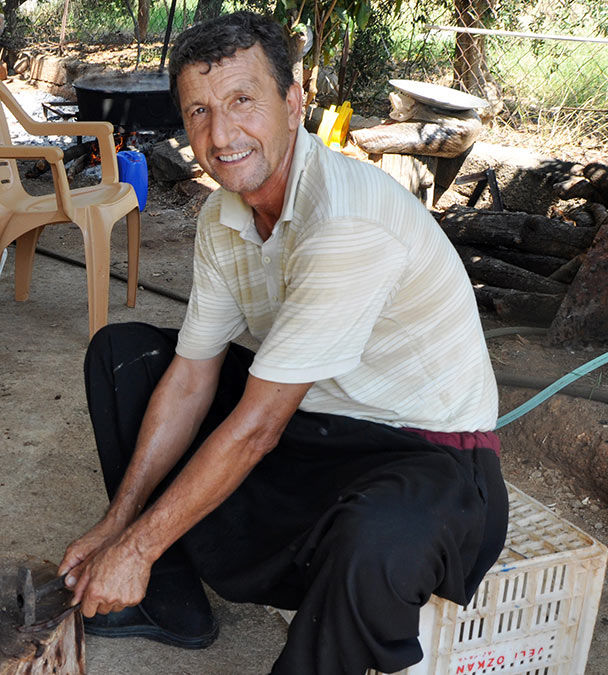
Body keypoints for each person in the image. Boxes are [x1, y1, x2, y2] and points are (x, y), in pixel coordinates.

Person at [58, 12, 508, 674]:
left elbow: (256, 429)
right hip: (315, 426)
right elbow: (190, 377)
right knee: (127, 358)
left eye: (243, 101)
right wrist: (119, 527)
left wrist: (138, 544)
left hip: (429, 458)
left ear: (294, 103)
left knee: (377, 538)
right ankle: (168, 600)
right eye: (200, 111)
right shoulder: (224, 216)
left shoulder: (345, 221)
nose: (221, 133)